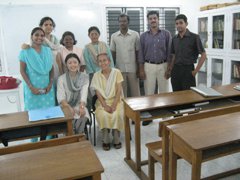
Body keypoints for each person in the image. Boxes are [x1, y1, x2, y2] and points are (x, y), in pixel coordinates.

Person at [19, 27, 55, 141]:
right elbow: (22, 71)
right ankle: (34, 142)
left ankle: (48, 141)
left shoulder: (47, 51)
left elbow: (51, 69)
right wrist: (31, 87)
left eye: (42, 35)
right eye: (36, 35)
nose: (39, 37)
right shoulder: (25, 52)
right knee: (34, 117)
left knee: (48, 116)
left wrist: (50, 84)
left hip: (47, 89)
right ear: (31, 36)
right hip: (32, 89)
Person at [138, 10, 172, 126]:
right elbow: (141, 54)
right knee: (149, 93)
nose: (153, 20)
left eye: (155, 18)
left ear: (158, 19)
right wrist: (141, 69)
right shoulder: (143, 36)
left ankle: (165, 116)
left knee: (164, 92)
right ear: (148, 21)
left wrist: (169, 69)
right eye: (151, 18)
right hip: (149, 66)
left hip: (163, 65)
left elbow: (170, 52)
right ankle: (149, 116)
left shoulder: (166, 34)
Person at [90, 53, 124, 151]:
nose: (102, 63)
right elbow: (97, 93)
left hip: (116, 100)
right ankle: (106, 140)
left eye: (104, 60)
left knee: (117, 113)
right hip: (102, 102)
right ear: (97, 63)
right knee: (103, 115)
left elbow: (119, 90)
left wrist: (114, 105)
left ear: (109, 61)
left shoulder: (117, 72)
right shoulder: (96, 75)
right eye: (100, 61)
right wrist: (105, 106)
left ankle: (116, 138)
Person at [165, 14, 206, 91]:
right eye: (177, 23)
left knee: (189, 96)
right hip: (176, 70)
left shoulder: (194, 37)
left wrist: (196, 71)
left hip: (188, 70)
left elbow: (203, 55)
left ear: (186, 24)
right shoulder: (174, 39)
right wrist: (170, 70)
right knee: (176, 95)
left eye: (181, 23)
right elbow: (173, 55)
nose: (178, 25)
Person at [57, 53, 89, 134]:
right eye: (70, 63)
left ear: (79, 64)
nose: (72, 65)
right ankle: (77, 137)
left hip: (79, 105)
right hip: (65, 106)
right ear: (66, 65)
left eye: (75, 62)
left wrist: (81, 107)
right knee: (69, 117)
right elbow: (61, 97)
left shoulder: (84, 77)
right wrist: (69, 108)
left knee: (83, 115)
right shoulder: (61, 79)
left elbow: (84, 94)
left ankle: (76, 136)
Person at [110, 14, 140, 98]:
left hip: (133, 68)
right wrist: (113, 69)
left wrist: (139, 67)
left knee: (136, 92)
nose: (122, 23)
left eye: (124, 21)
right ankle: (123, 110)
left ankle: (137, 110)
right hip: (119, 69)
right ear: (118, 23)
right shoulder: (114, 36)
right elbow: (113, 53)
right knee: (122, 93)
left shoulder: (135, 34)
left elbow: (138, 52)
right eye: (120, 21)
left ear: (128, 22)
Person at [39, 16, 60, 83]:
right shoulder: (38, 39)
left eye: (51, 25)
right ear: (41, 26)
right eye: (46, 24)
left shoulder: (55, 39)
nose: (49, 26)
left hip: (56, 66)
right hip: (44, 66)